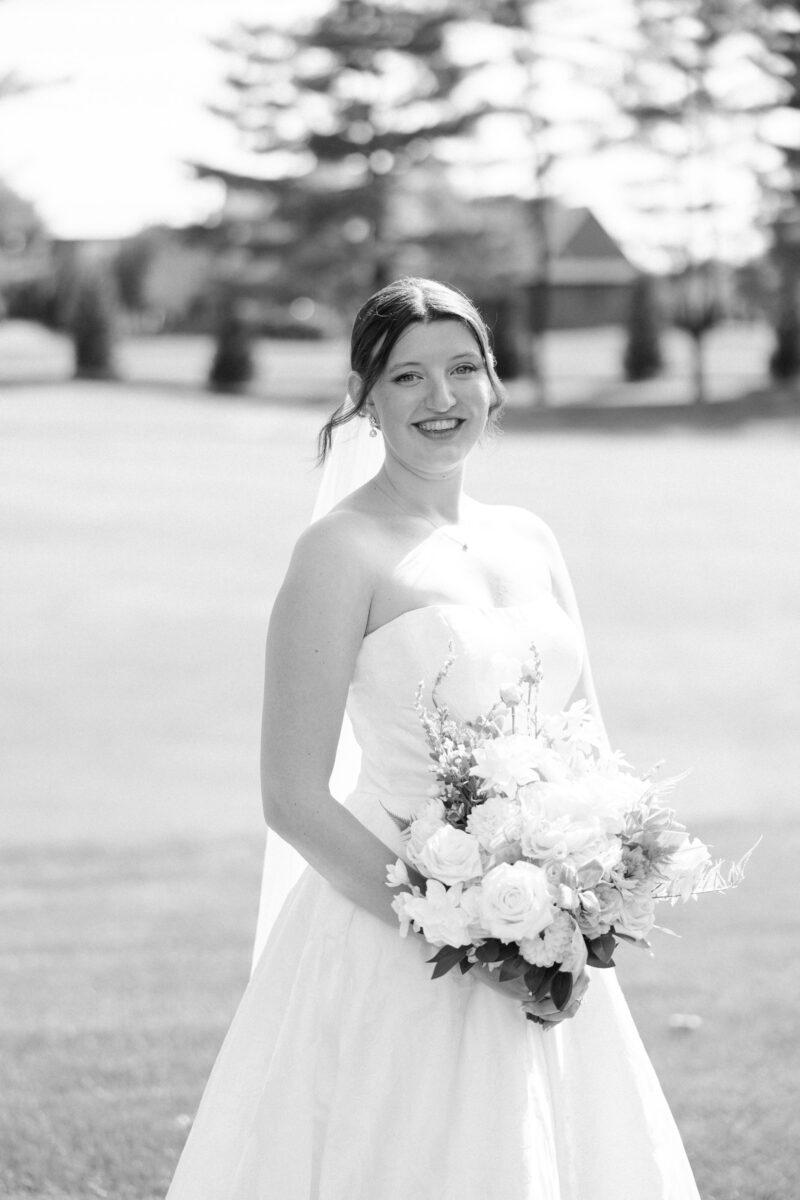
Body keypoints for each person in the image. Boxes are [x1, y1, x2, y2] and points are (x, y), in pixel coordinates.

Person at [165, 277, 701, 1199]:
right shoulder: (339, 551)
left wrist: (581, 896)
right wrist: (465, 931)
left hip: (550, 930)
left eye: (462, 368)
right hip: (395, 942)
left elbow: (588, 742)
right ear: (366, 398)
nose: (440, 398)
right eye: (407, 376)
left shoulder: (530, 538)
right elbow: (291, 797)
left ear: (495, 383)